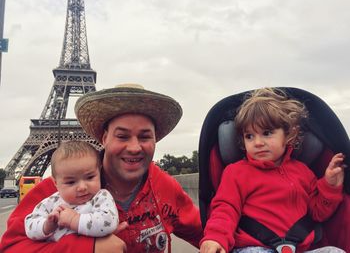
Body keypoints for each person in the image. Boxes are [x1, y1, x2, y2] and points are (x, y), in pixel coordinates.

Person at [0, 83, 203, 253]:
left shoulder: (164, 185)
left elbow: (206, 232)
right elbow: (10, 247)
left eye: (144, 136)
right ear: (104, 138)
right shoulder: (57, 189)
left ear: (155, 139)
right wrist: (88, 247)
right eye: (122, 136)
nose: (134, 147)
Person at [199, 88, 346, 253]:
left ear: (288, 135)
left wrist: (330, 186)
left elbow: (317, 212)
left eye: (267, 133)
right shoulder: (236, 172)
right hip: (254, 248)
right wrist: (215, 238)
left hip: (300, 248)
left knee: (334, 251)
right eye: (249, 136)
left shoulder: (303, 172)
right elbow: (225, 208)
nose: (258, 142)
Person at [25, 141, 118, 241]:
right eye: (71, 182)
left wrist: (74, 220)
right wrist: (46, 226)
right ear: (56, 183)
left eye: (90, 177)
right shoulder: (50, 202)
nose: (82, 187)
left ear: (99, 172)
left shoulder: (101, 197)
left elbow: (109, 221)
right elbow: (30, 224)